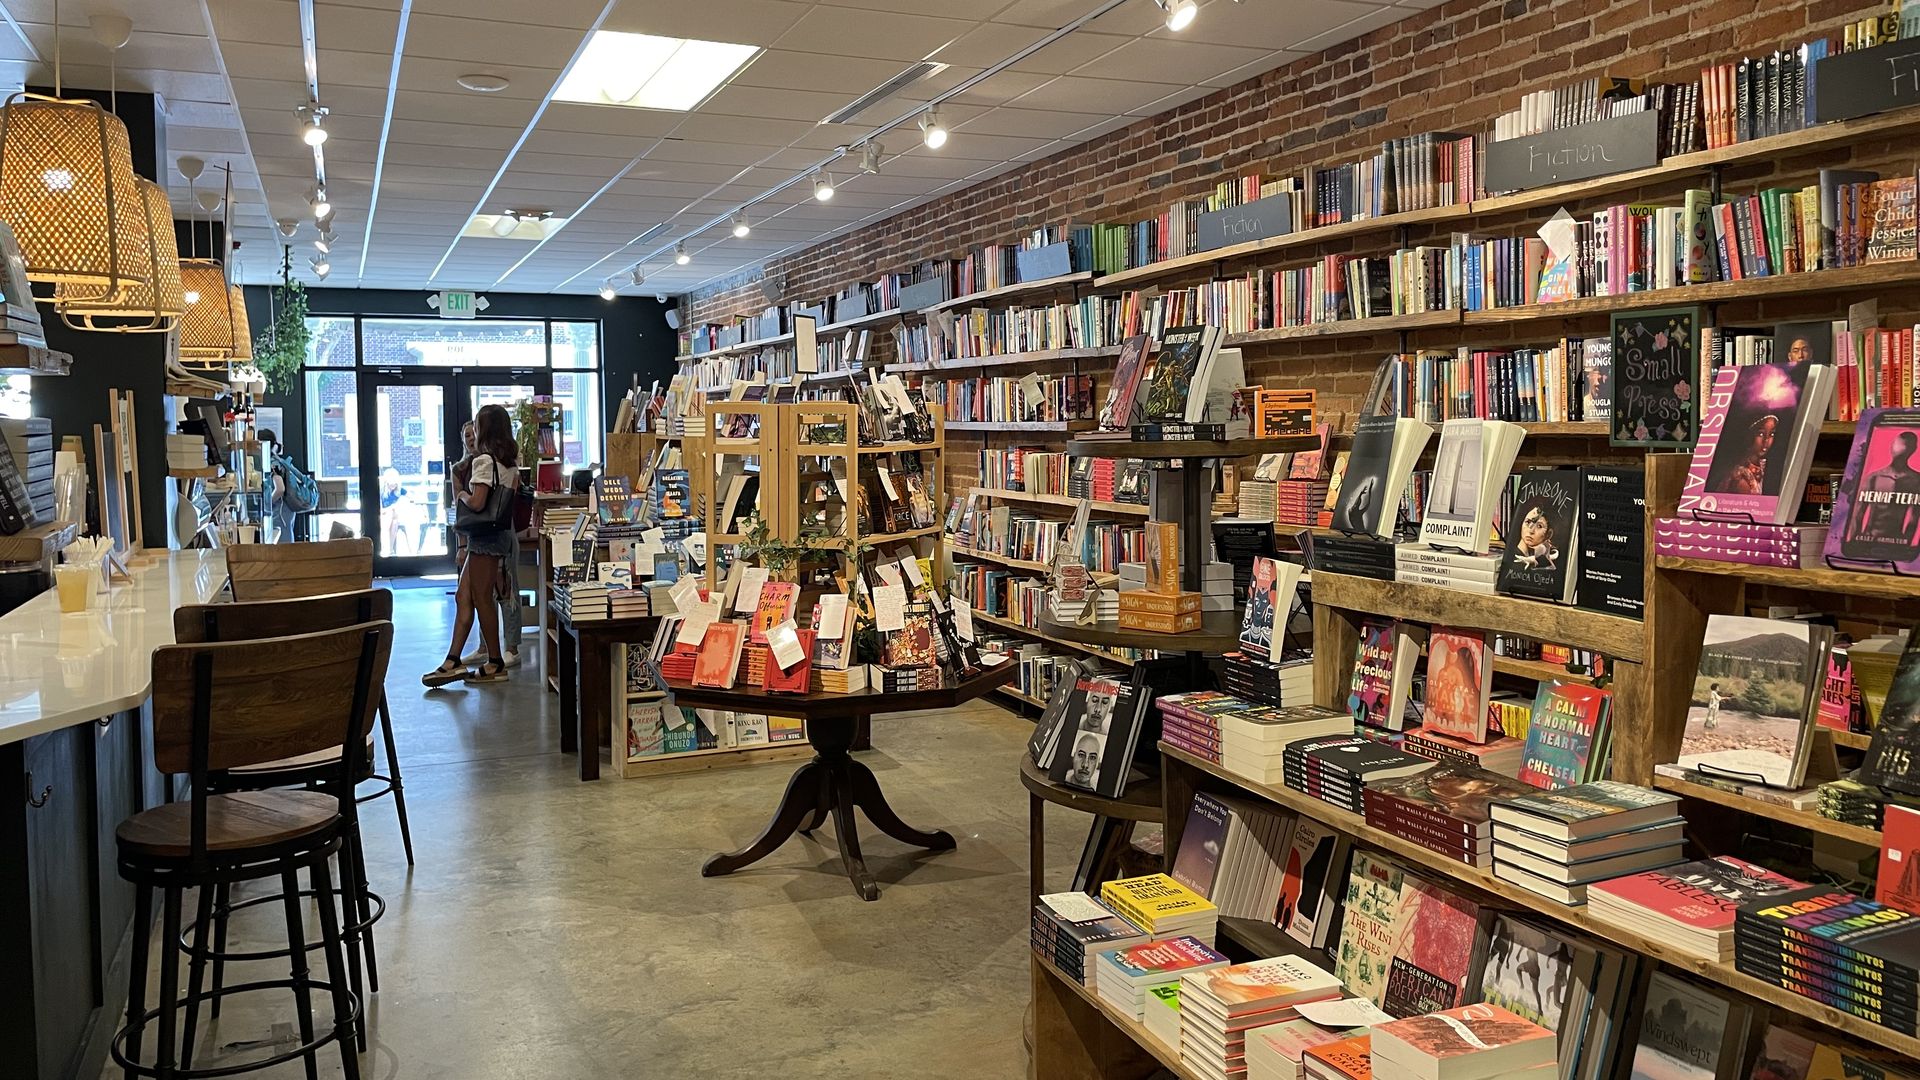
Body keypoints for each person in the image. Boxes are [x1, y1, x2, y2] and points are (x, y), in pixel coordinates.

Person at [424, 404, 518, 687]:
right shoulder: (509, 464)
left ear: (483, 430)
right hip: (495, 537)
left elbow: (477, 502)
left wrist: (462, 494)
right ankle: (453, 660)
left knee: (481, 600)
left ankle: (495, 662)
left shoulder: (483, 462)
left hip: (484, 540)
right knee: (464, 597)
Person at [259, 429, 297, 543]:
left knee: (282, 551)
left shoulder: (272, 463)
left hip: (279, 515)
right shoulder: (279, 461)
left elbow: (280, 489)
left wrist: (266, 505)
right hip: (285, 513)